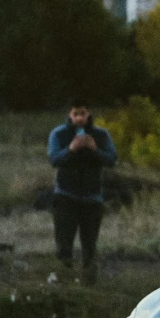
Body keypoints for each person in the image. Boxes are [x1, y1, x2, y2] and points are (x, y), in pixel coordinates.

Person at [47, 102, 117, 281]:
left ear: (89, 114)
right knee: (64, 247)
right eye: (75, 114)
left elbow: (111, 159)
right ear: (70, 114)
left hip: (92, 198)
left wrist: (95, 150)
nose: (79, 118)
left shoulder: (101, 135)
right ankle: (63, 284)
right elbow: (53, 159)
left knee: (90, 248)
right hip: (65, 196)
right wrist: (70, 150)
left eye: (83, 114)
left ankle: (90, 285)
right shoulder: (59, 133)